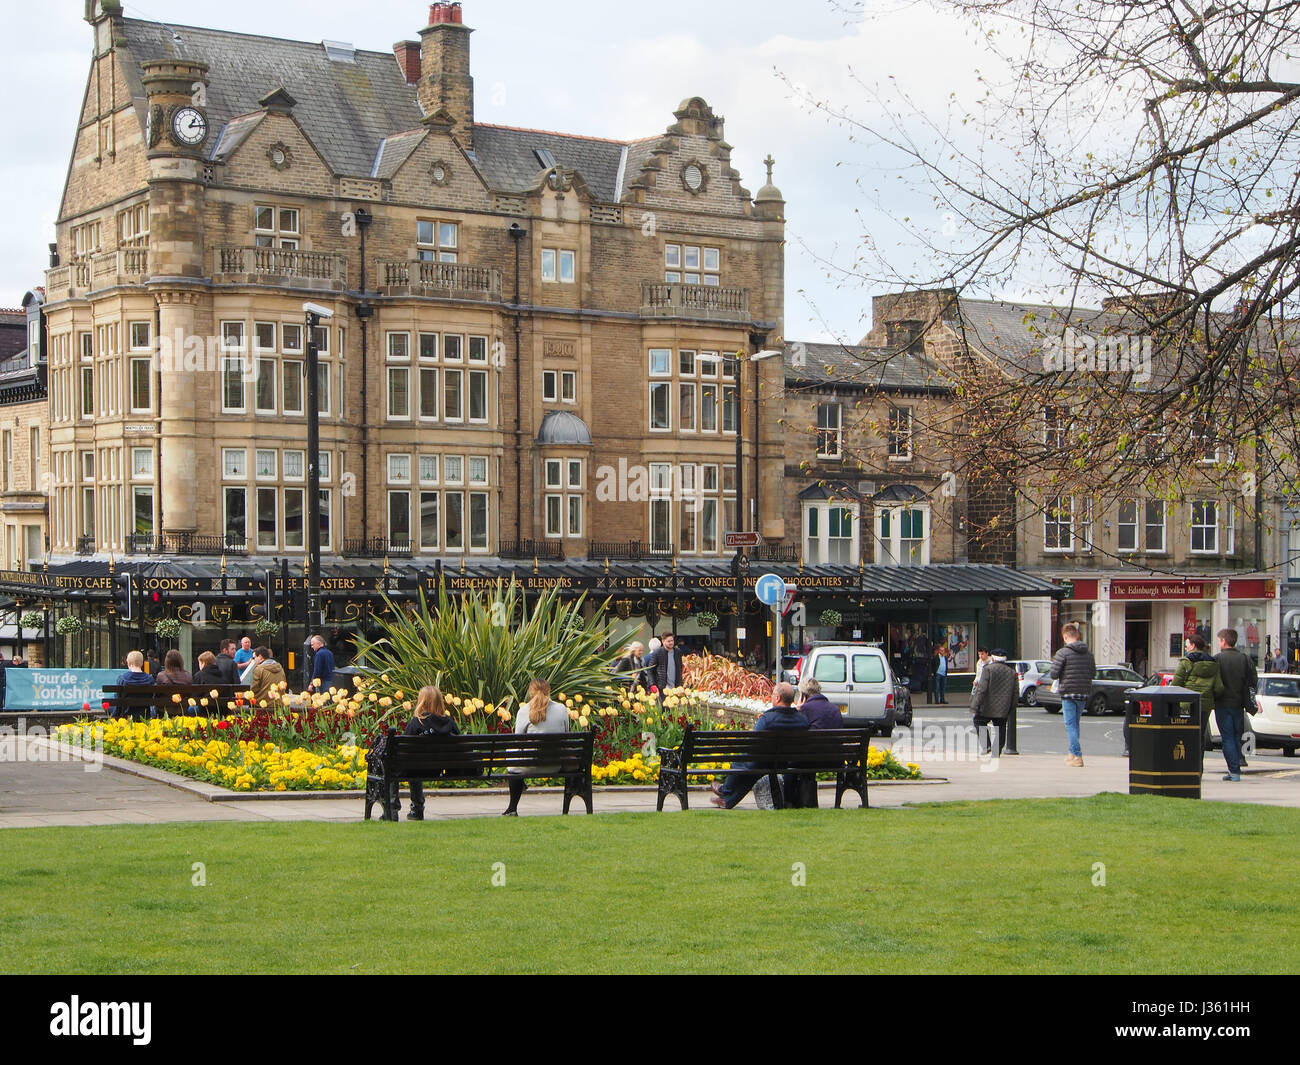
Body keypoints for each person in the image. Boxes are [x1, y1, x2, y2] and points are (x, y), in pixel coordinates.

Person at [710, 682, 809, 809]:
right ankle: (726, 798)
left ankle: (726, 792)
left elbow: (753, 743)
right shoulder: (802, 719)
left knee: (747, 764)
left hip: (767, 760)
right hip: (790, 762)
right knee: (753, 766)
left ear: (777, 698)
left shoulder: (767, 719)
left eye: (773, 694)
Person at [502, 678, 568, 816]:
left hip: (528, 765)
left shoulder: (524, 711)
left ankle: (512, 808)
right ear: (549, 691)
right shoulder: (561, 709)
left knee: (512, 754)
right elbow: (566, 736)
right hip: (555, 765)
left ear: (530, 693)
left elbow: (518, 742)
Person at [399, 685, 461, 821]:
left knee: (412, 766)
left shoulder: (416, 723)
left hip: (418, 770)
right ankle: (416, 807)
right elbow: (459, 744)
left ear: (421, 702)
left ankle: (414, 807)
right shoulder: (449, 722)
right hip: (442, 769)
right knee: (415, 766)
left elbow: (404, 749)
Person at [786, 677, 843, 807]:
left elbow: (795, 732)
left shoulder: (805, 710)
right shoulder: (835, 709)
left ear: (803, 695)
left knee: (789, 761)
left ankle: (789, 801)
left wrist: (797, 710)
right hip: (835, 760)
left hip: (809, 759)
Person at [1213, 628, 1257, 783]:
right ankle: (1235, 767)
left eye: (1219, 640)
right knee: (1236, 737)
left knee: (1227, 738)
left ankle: (1234, 771)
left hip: (1222, 703)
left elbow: (1213, 681)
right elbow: (1253, 681)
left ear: (1224, 641)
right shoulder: (1245, 658)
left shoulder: (1217, 659)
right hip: (1239, 704)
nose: (1219, 643)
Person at [1050, 622, 1095, 767]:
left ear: (1065, 637)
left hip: (1068, 692)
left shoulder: (1063, 653)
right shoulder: (1088, 653)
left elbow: (1054, 674)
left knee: (1070, 725)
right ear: (1078, 636)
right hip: (1083, 692)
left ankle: (1077, 755)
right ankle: (1071, 753)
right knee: (1075, 724)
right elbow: (1093, 672)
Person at [1173, 633, 1224, 752]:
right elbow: (1219, 688)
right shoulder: (1213, 662)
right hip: (1206, 705)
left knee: (1186, 734)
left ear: (1193, 645)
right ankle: (1198, 767)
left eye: (1186, 646)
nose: (1186, 649)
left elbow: (1176, 684)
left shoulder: (1186, 662)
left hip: (1187, 704)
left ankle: (1187, 765)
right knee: (1200, 734)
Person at [970, 648, 1018, 756]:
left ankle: (986, 745)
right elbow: (1015, 694)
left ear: (993, 657)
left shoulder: (988, 670)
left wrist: (975, 705)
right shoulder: (1012, 672)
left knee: (978, 721)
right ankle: (996, 751)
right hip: (1003, 707)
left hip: (987, 706)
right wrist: (1011, 708)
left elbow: (982, 689)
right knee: (1000, 728)